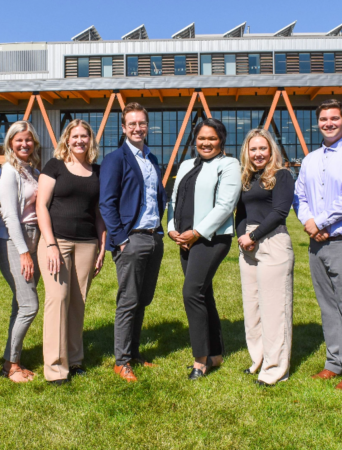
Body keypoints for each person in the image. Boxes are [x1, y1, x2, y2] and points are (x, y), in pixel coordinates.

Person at [294, 99, 342, 390]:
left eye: (334, 118)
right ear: (318, 122)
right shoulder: (311, 159)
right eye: (323, 119)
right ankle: (333, 363)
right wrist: (310, 223)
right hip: (317, 244)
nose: (328, 123)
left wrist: (321, 221)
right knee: (327, 307)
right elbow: (300, 197)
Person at [167, 118, 241, 380]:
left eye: (212, 138)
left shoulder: (229, 164)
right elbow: (175, 199)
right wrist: (171, 228)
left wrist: (197, 232)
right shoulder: (187, 164)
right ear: (194, 140)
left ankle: (200, 360)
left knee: (192, 292)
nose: (206, 143)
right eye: (201, 138)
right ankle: (216, 353)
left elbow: (225, 205)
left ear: (221, 140)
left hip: (211, 239)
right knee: (203, 294)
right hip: (184, 238)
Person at [36, 119, 106, 386]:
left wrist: (102, 245)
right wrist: (51, 244)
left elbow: (99, 213)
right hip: (57, 242)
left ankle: (75, 361)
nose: (79, 140)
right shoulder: (54, 166)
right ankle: (55, 368)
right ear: (66, 139)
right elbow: (41, 206)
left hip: (88, 243)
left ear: (90, 140)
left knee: (78, 302)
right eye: (74, 136)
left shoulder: (97, 171)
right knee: (58, 298)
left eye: (84, 136)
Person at [100, 102, 166, 383]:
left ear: (146, 126)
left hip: (153, 238)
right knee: (128, 301)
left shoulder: (151, 159)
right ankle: (121, 361)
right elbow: (107, 203)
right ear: (123, 128)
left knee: (143, 299)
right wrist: (121, 240)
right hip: (132, 239)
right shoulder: (116, 159)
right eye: (132, 124)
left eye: (142, 123)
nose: (137, 128)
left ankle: (134, 353)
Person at [235, 128, 295, 386]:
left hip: (272, 240)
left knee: (275, 309)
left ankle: (275, 369)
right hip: (248, 244)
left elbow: (280, 212)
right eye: (253, 149)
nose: (258, 153)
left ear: (271, 150)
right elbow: (242, 212)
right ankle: (258, 359)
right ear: (247, 152)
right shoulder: (247, 178)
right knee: (253, 309)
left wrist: (254, 236)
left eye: (263, 148)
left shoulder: (282, 175)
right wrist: (242, 238)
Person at [0, 121, 42, 383]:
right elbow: (10, 215)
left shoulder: (32, 170)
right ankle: (10, 366)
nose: (24, 144)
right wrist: (24, 252)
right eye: (19, 140)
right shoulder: (9, 171)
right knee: (29, 305)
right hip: (15, 241)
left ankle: (13, 360)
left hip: (34, 238)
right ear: (10, 143)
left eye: (28, 140)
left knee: (20, 304)